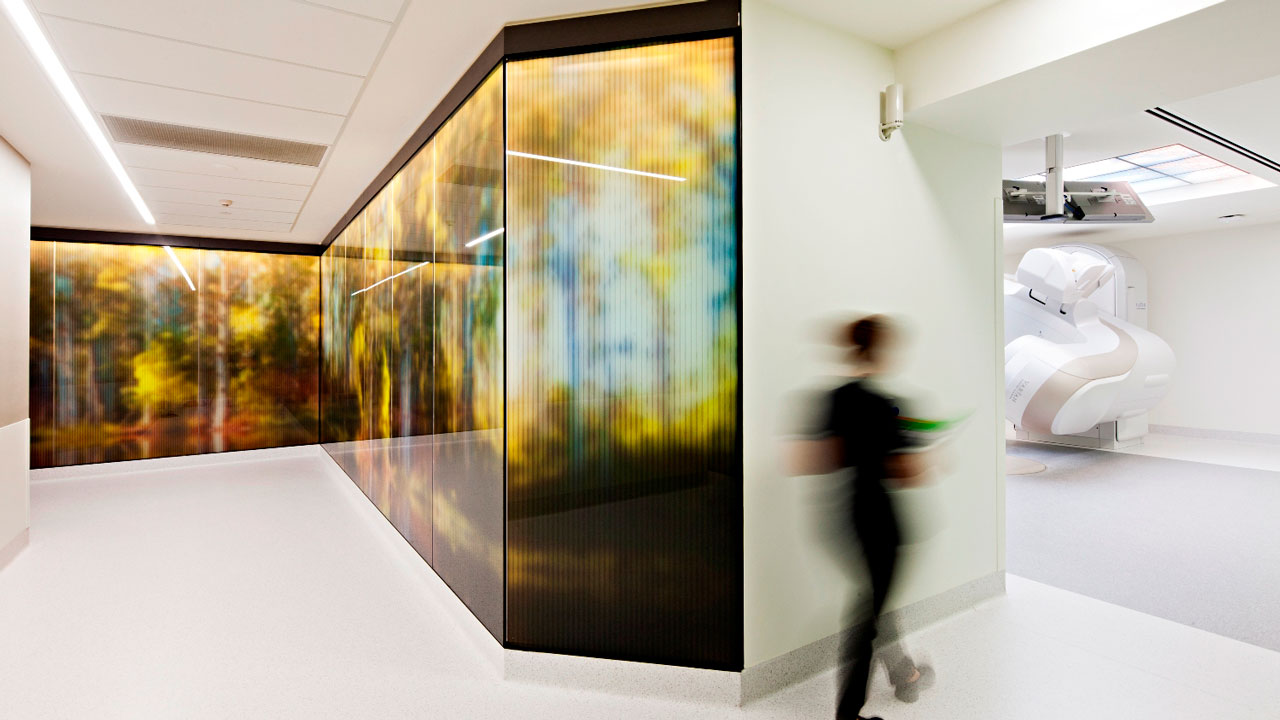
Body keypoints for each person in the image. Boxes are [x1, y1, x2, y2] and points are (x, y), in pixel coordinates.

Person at [794, 315, 935, 720]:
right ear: (882, 349)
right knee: (868, 617)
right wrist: (911, 444)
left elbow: (811, 460)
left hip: (844, 518)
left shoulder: (834, 398)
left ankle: (904, 674)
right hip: (881, 522)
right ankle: (848, 713)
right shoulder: (887, 407)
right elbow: (908, 474)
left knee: (875, 602)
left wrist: (860, 447)